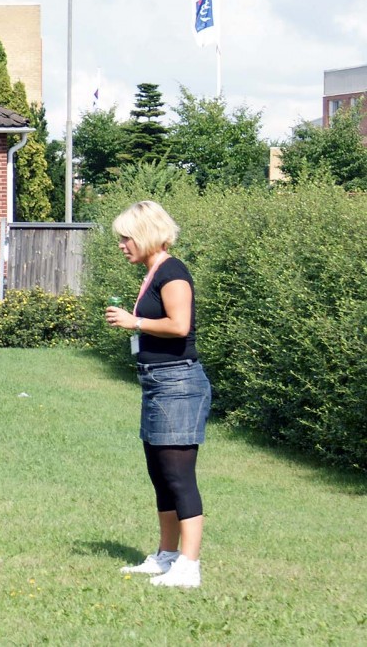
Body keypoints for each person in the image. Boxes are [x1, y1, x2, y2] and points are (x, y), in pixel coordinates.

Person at [104, 201, 211, 589]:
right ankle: (166, 556)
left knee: (179, 477)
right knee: (160, 474)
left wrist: (135, 321)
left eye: (126, 237)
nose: (121, 245)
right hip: (157, 382)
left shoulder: (173, 271)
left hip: (179, 385)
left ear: (146, 234)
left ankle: (189, 565)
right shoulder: (153, 272)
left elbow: (180, 325)